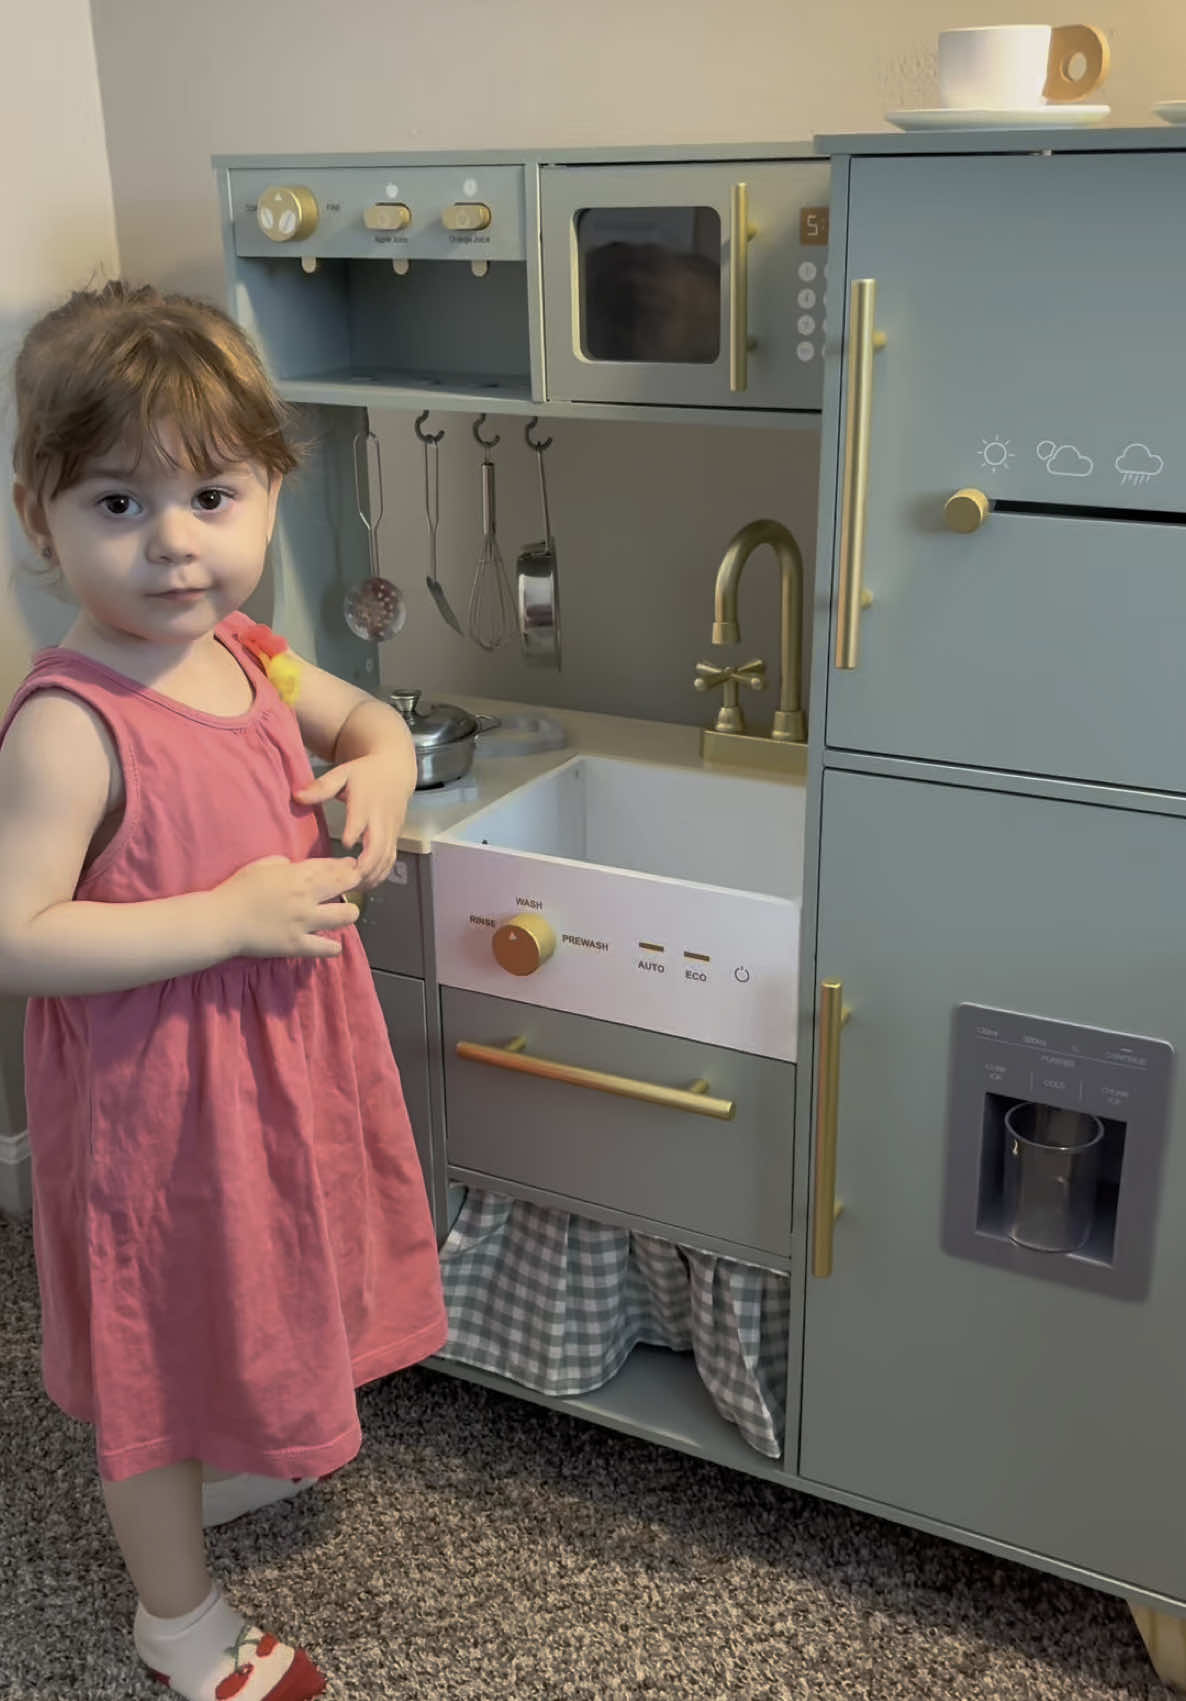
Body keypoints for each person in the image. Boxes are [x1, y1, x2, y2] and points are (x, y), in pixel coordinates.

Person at [0, 280, 448, 1700]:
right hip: (153, 1104)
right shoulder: (73, 723)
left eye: (211, 493)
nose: (175, 542)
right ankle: (175, 1617)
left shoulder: (247, 653)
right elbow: (14, 934)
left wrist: (383, 762)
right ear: (40, 519)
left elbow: (368, 715)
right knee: (151, 1342)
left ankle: (230, 1447)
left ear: (269, 493)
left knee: (250, 1278)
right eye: (118, 504)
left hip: (273, 1064)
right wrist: (226, 914)